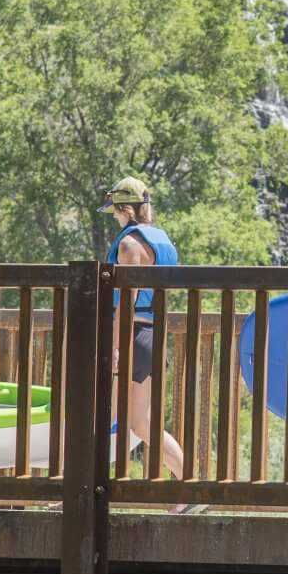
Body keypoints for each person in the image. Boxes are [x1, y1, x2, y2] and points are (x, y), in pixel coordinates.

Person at [100, 177, 193, 495]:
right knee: (142, 424)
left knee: (98, 418)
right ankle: (192, 488)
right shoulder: (164, 242)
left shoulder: (129, 245)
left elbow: (126, 302)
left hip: (132, 335)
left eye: (114, 211)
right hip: (152, 336)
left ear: (123, 209)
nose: (114, 217)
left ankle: (76, 493)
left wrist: (115, 347)